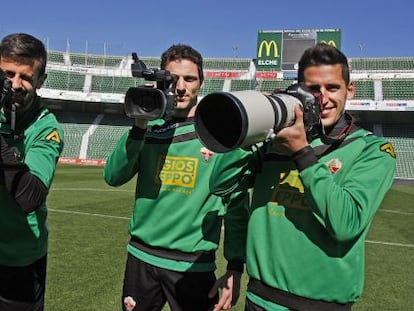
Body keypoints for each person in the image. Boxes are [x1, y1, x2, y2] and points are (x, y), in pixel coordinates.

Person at [209, 43, 396, 310]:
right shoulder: (272, 143)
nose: (323, 99)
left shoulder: (372, 150)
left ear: (349, 90)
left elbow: (346, 224)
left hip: (321, 305)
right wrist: (254, 130)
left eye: (332, 88)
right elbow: (220, 185)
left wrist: (302, 153)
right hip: (260, 298)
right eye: (312, 90)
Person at [104, 44, 247, 311]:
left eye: (189, 79)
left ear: (201, 83)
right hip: (141, 258)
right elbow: (113, 176)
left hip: (193, 264)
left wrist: (235, 266)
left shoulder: (221, 133)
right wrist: (139, 126)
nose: (180, 87)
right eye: (173, 79)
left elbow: (237, 205)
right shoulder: (148, 126)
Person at [0, 33, 64, 310]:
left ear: (40, 81)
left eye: (26, 77)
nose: (15, 85)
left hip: (19, 260)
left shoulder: (46, 127)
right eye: (7, 74)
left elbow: (30, 196)